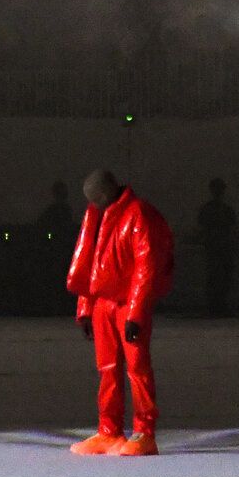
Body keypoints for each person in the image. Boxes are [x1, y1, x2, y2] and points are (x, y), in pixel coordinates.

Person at [66, 168, 174, 456]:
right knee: (108, 369)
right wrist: (86, 308)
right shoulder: (98, 216)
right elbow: (91, 263)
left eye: (94, 198)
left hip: (127, 303)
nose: (92, 204)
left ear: (103, 194)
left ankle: (144, 432)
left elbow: (145, 266)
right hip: (103, 303)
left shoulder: (138, 215)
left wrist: (136, 313)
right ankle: (108, 429)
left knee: (137, 368)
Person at [197, 177, 238, 317]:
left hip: (218, 247)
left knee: (219, 277)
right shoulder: (222, 210)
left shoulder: (213, 210)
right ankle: (217, 306)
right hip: (217, 247)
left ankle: (217, 306)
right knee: (218, 277)